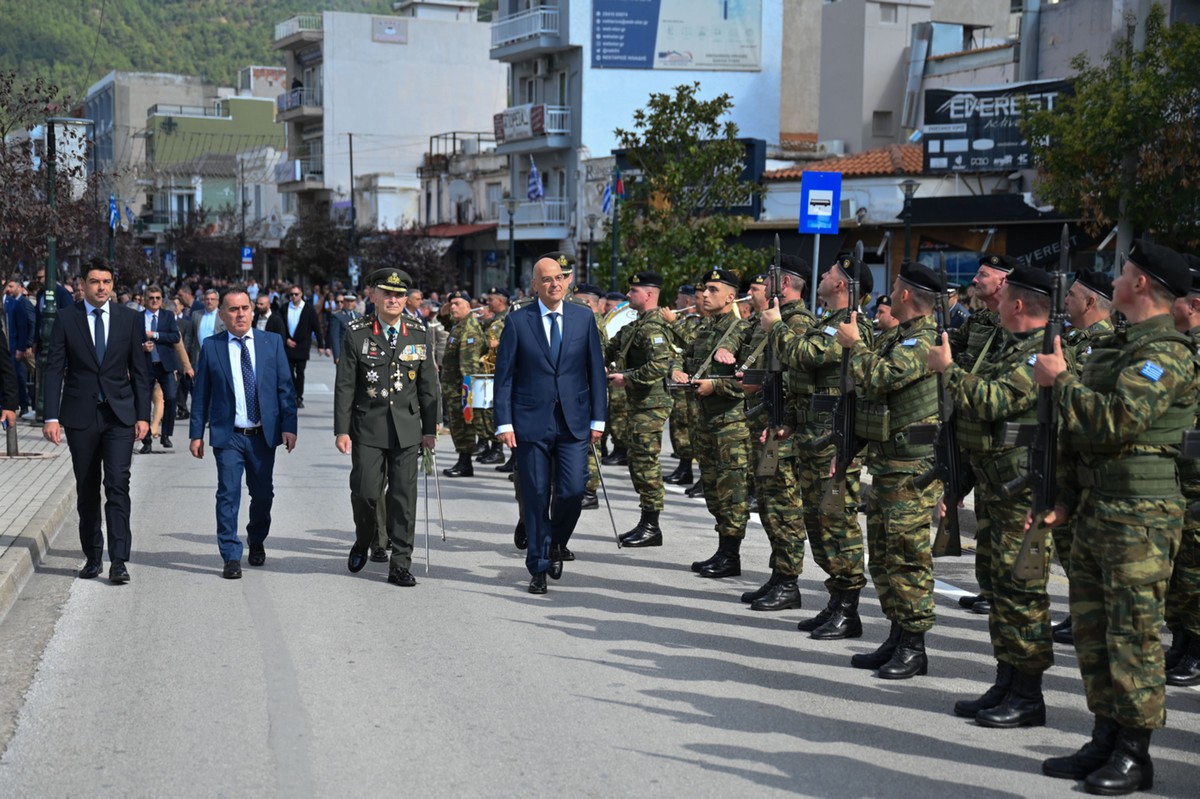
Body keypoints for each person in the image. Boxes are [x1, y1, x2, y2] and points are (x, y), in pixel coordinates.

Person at [1033, 240, 1197, 794]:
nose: (1117, 278)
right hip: (1098, 509)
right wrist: (1064, 495)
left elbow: (1116, 422)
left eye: (1124, 271)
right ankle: (1105, 735)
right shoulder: (1115, 349)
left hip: (1141, 516)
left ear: (1143, 284)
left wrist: (1063, 382)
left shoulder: (1166, 354)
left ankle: (1135, 751)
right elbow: (1078, 437)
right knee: (1093, 631)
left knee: (1134, 634)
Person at [931, 264, 1062, 715]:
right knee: (998, 587)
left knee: (1021, 592)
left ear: (1019, 305)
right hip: (995, 486)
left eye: (1005, 297)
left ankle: (1028, 694)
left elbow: (993, 400)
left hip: (1022, 490)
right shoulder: (1005, 345)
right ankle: (1006, 681)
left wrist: (948, 371)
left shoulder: (1038, 354)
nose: (997, 303)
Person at [762, 256, 874, 639]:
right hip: (813, 437)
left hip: (834, 441)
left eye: (829, 274)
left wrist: (776, 327)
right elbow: (801, 378)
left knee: (837, 523)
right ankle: (836, 600)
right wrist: (789, 423)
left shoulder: (851, 326)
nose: (822, 277)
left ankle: (849, 607)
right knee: (818, 522)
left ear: (843, 285)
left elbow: (804, 357)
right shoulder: (827, 323)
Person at [494, 253, 607, 595]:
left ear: (567, 281)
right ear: (534, 285)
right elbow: (505, 377)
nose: (554, 283)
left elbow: (595, 372)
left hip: (573, 422)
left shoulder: (583, 318)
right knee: (537, 494)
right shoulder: (518, 321)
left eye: (559, 277)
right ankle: (539, 565)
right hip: (530, 422)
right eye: (546, 279)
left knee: (573, 491)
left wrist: (599, 418)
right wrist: (504, 423)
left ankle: (557, 542)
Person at [42, 257, 151, 584]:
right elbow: (53, 369)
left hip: (119, 416)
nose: (101, 287)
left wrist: (143, 416)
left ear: (112, 284)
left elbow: (141, 373)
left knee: (118, 484)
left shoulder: (129, 319)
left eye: (106, 282)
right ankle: (92, 556)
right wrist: (51, 416)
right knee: (87, 488)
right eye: (94, 282)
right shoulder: (66, 319)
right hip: (81, 418)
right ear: (83, 285)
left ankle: (119, 560)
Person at [334, 269, 439, 586]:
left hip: (407, 429)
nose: (393, 299)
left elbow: (428, 385)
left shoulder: (419, 332)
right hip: (368, 427)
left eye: (399, 294)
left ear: (406, 299)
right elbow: (345, 385)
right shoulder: (358, 332)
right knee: (365, 492)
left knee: (404, 499)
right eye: (387, 293)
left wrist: (430, 429)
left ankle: (400, 563)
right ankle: (365, 538)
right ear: (374, 296)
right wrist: (341, 429)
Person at [189, 287, 298, 579]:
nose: (240, 314)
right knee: (228, 493)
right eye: (233, 310)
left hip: (263, 435)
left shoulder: (271, 343)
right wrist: (196, 433)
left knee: (263, 494)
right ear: (222, 315)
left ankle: (257, 538)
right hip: (229, 436)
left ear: (253, 311)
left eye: (245, 308)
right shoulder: (212, 347)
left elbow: (285, 389)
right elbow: (201, 395)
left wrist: (289, 426)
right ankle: (230, 555)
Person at [666, 268, 752, 580]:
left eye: (713, 290)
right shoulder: (706, 328)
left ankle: (731, 554)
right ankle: (723, 550)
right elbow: (683, 355)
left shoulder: (742, 331)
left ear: (731, 297)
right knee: (714, 491)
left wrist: (715, 386)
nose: (704, 294)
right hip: (705, 420)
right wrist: (678, 370)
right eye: (704, 289)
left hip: (731, 424)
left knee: (732, 492)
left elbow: (752, 383)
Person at [948, 253, 1016, 615]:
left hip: (999, 427)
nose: (975, 279)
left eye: (983, 274)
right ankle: (987, 588)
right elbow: (952, 347)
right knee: (984, 516)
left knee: (999, 518)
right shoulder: (979, 320)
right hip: (970, 424)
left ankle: (1002, 591)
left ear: (1003, 282)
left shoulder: (1016, 324)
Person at [1054, 268, 1117, 644]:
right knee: (1070, 545)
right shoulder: (1074, 338)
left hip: (1088, 459)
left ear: (1091, 301)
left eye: (1071, 296)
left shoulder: (1105, 344)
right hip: (1067, 455)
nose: (1065, 302)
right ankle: (1080, 612)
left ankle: (1098, 616)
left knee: (1087, 549)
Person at [607, 271, 673, 547]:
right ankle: (646, 522)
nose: (628, 295)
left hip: (651, 404)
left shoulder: (654, 326)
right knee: (637, 462)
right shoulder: (636, 325)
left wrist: (627, 378)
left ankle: (651, 525)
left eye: (634, 291)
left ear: (648, 295)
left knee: (646, 463)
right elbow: (610, 347)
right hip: (639, 404)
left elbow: (660, 365)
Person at [1165, 257, 1200, 687]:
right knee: (1180, 567)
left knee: (1194, 568)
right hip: (1177, 473)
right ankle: (1180, 641)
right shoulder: (1181, 346)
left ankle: (1195, 646)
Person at [440, 290, 485, 477]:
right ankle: (463, 460)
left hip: (461, 388)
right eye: (451, 304)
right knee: (458, 425)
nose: (452, 307)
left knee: (463, 426)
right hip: (454, 388)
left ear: (468, 306)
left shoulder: (469, 328)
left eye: (457, 303)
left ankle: (465, 463)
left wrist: (467, 394)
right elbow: (443, 319)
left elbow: (468, 364)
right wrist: (447, 306)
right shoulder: (459, 324)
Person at [138, 286, 181, 453]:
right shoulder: (138, 317)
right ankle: (146, 440)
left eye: (157, 297)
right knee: (143, 403)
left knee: (170, 398)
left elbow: (175, 337)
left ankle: (166, 434)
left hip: (165, 365)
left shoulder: (168, 316)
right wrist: (142, 346)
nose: (155, 301)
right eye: (151, 298)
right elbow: (130, 339)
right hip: (146, 366)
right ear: (145, 300)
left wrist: (155, 335)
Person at [283, 284, 327, 408]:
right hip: (288, 346)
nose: (293, 297)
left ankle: (299, 396)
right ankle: (291, 395)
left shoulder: (308, 309)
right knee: (289, 372)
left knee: (300, 372)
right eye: (291, 294)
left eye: (296, 294)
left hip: (302, 346)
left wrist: (321, 345)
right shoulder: (285, 308)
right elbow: (280, 326)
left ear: (301, 294)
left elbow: (316, 328)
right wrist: (286, 339)